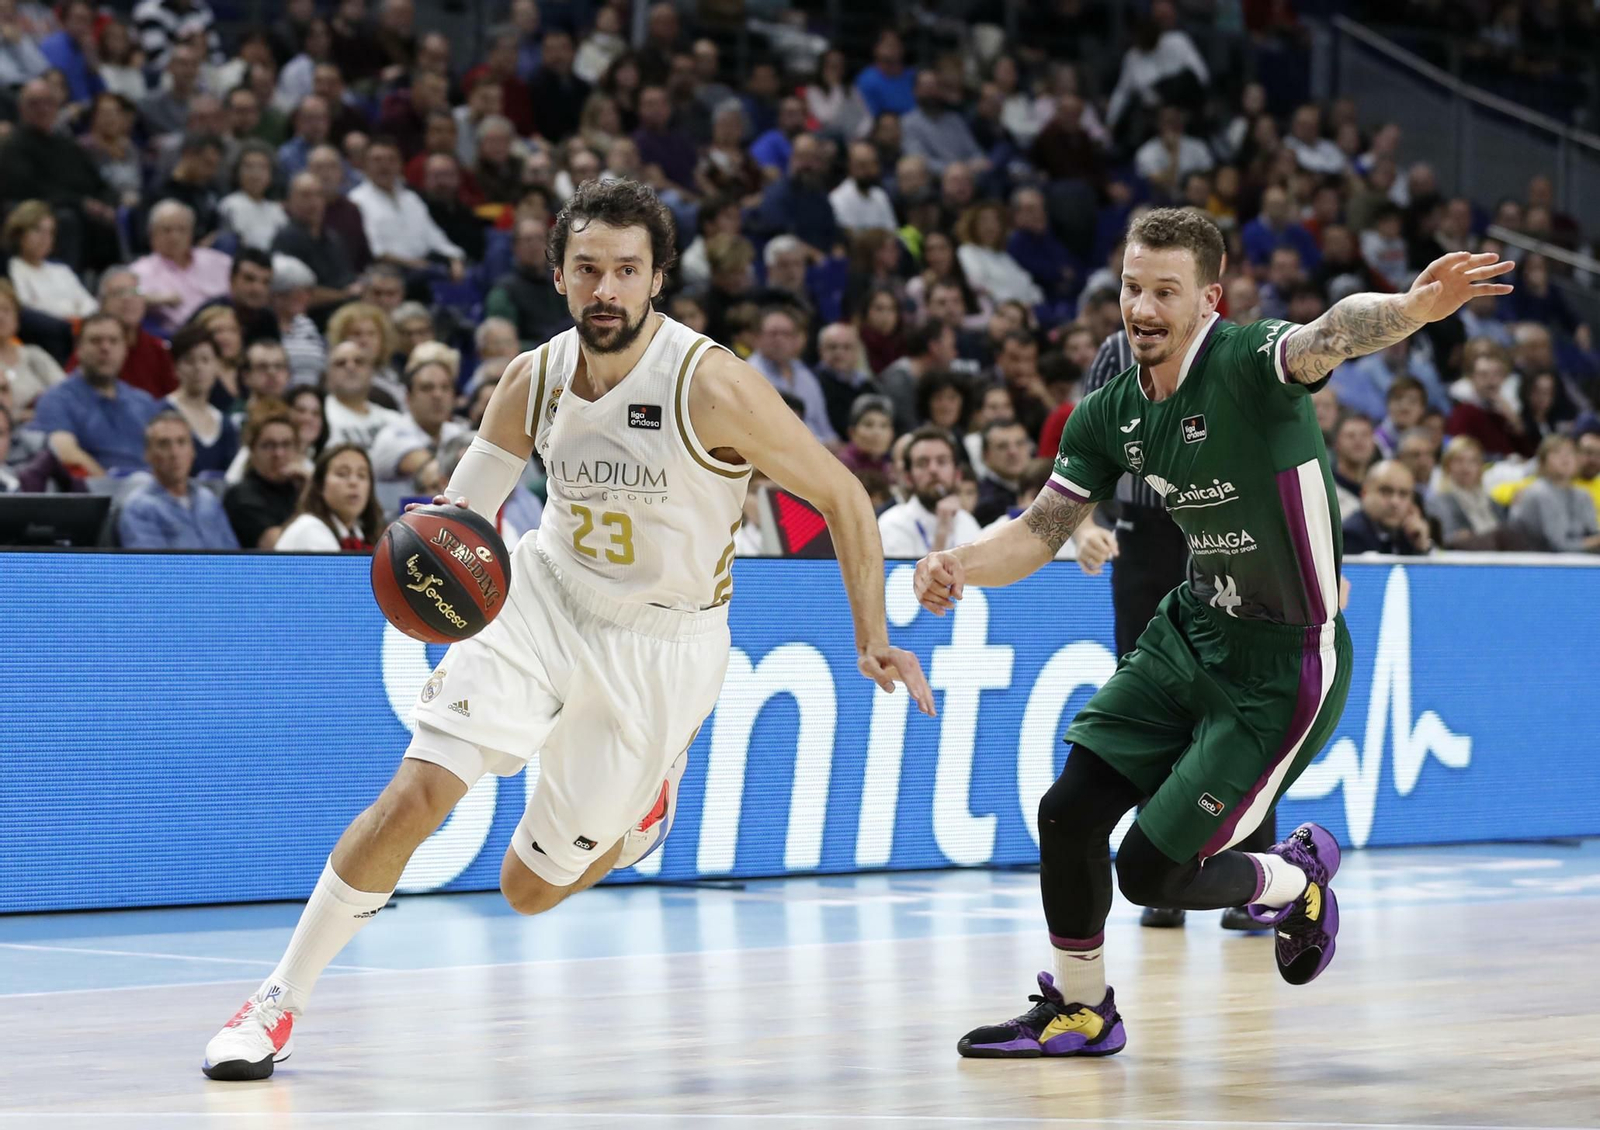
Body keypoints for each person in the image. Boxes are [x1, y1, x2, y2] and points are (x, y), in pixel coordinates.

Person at [202, 179, 933, 1080]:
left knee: (527, 890)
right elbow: (462, 518)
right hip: (542, 595)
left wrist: (872, 633)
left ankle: (639, 819)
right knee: (416, 795)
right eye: (588, 269)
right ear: (557, 275)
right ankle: (276, 1001)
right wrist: (424, 571)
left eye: (628, 270)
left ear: (658, 279)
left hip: (661, 648)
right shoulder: (534, 378)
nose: (607, 290)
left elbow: (845, 496)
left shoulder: (713, 386)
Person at [919, 210, 1508, 1059]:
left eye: (1167, 291)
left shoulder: (1249, 362)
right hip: (1190, 632)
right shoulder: (1111, 411)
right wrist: (961, 563)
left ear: (1208, 300)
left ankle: (1293, 876)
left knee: (1152, 874)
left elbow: (1329, 334)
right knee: (1069, 813)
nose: (1144, 308)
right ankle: (1081, 1012)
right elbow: (1041, 531)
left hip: (1284, 665)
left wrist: (1413, 309)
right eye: (1132, 288)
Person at [28, 313, 160, 476]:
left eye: (113, 341)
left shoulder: (144, 402)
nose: (105, 348)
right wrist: (111, 487)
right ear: (78, 349)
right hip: (95, 495)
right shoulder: (56, 400)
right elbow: (65, 453)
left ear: (125, 349)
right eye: (95, 341)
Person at [116, 411, 240, 549]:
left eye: (181, 442)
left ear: (193, 450)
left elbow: (234, 554)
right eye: (164, 444)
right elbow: (150, 567)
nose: (175, 453)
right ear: (148, 454)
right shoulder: (139, 507)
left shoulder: (208, 499)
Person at [879, 425, 982, 557]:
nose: (933, 469)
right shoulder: (892, 523)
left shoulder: (968, 522)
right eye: (922, 463)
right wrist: (942, 534)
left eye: (942, 461)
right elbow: (900, 578)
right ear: (908, 478)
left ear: (957, 475)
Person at [368, 358, 469, 489]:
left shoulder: (458, 431)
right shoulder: (392, 435)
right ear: (408, 398)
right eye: (427, 388)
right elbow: (433, 472)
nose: (438, 395)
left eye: (445, 388)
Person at [272, 442, 384, 551]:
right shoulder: (309, 529)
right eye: (342, 474)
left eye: (362, 475)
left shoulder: (360, 533)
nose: (354, 482)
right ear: (320, 485)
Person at [4, 200, 98, 320]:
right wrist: (72, 309)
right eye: (37, 230)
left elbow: (91, 306)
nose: (45, 238)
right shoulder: (11, 268)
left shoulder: (61, 270)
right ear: (19, 233)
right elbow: (28, 310)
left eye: (50, 232)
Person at [1508, 435, 1600, 553]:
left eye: (1570, 453)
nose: (1565, 458)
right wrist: (1595, 542)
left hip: (1574, 560)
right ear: (1542, 461)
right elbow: (1558, 546)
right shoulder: (1539, 491)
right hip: (1534, 562)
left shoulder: (1582, 495)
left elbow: (1592, 532)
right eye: (1556, 453)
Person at [1341, 459, 1432, 556]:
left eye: (1403, 494)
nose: (1395, 502)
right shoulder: (1351, 536)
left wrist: (1422, 546)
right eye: (1386, 491)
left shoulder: (1409, 534)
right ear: (1364, 493)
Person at [320, 339, 400, 449]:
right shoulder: (318, 416)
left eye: (359, 361)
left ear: (371, 371)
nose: (351, 367)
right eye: (341, 363)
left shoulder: (395, 420)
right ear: (327, 375)